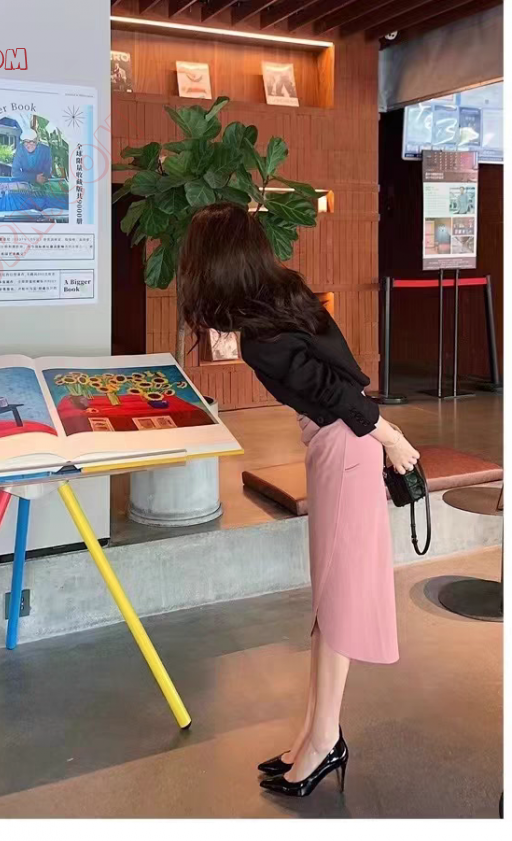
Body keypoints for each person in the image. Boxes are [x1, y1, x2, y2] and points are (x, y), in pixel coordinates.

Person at [179, 203, 420, 799]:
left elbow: (335, 391)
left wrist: (392, 439)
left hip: (345, 443)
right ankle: (314, 732)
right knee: (327, 596)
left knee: (335, 599)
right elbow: (343, 375)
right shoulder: (286, 297)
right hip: (340, 441)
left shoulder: (261, 336)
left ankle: (324, 740)